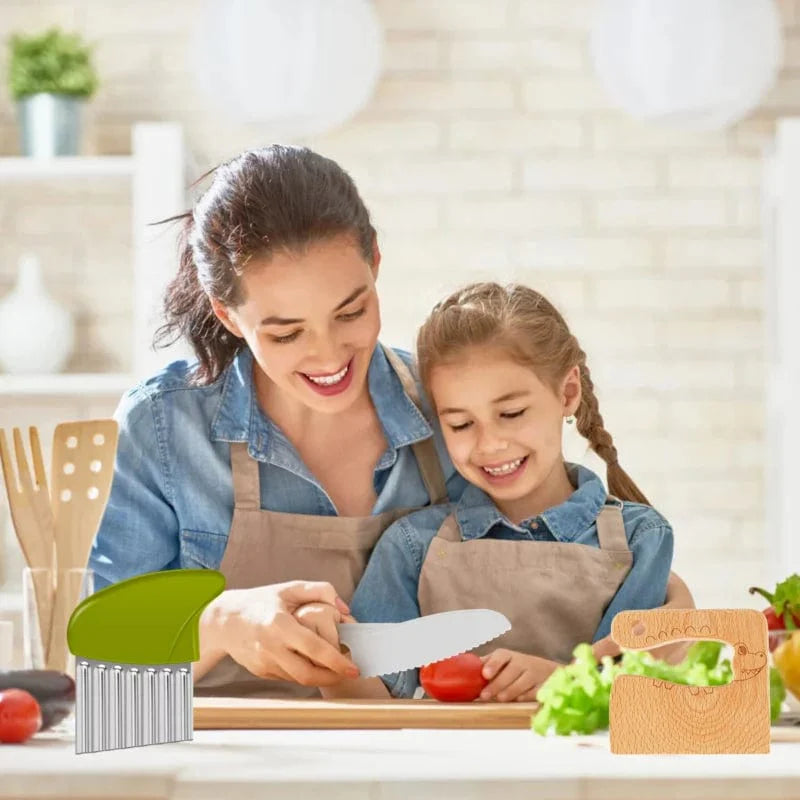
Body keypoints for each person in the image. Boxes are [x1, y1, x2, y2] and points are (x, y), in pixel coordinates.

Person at [88, 145, 693, 698]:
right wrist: (220, 622)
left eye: (351, 312)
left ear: (375, 262)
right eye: (286, 332)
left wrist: (667, 604)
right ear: (228, 313)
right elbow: (102, 674)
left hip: (404, 752)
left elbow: (552, 561)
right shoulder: (164, 427)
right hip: (221, 762)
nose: (327, 355)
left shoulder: (449, 413)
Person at [310, 282, 689, 702]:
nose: (489, 444)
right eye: (460, 424)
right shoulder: (412, 547)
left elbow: (636, 692)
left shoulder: (642, 540)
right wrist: (327, 659)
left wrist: (557, 680)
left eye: (510, 413)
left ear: (568, 393)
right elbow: (372, 704)